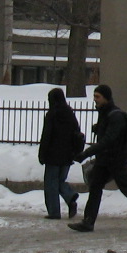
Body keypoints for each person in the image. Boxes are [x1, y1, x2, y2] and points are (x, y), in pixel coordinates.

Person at [69, 84, 127, 232]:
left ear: (106, 98)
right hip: (105, 159)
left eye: (98, 97)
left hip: (116, 159)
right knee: (95, 187)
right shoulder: (105, 113)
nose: (95, 99)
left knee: (126, 188)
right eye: (94, 96)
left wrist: (86, 153)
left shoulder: (116, 116)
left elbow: (108, 140)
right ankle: (88, 221)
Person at [37, 87, 82, 220]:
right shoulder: (70, 113)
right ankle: (70, 197)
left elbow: (46, 135)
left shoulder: (52, 114)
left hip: (53, 155)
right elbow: (76, 132)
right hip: (67, 155)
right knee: (60, 180)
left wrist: (42, 154)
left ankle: (54, 212)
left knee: (51, 183)